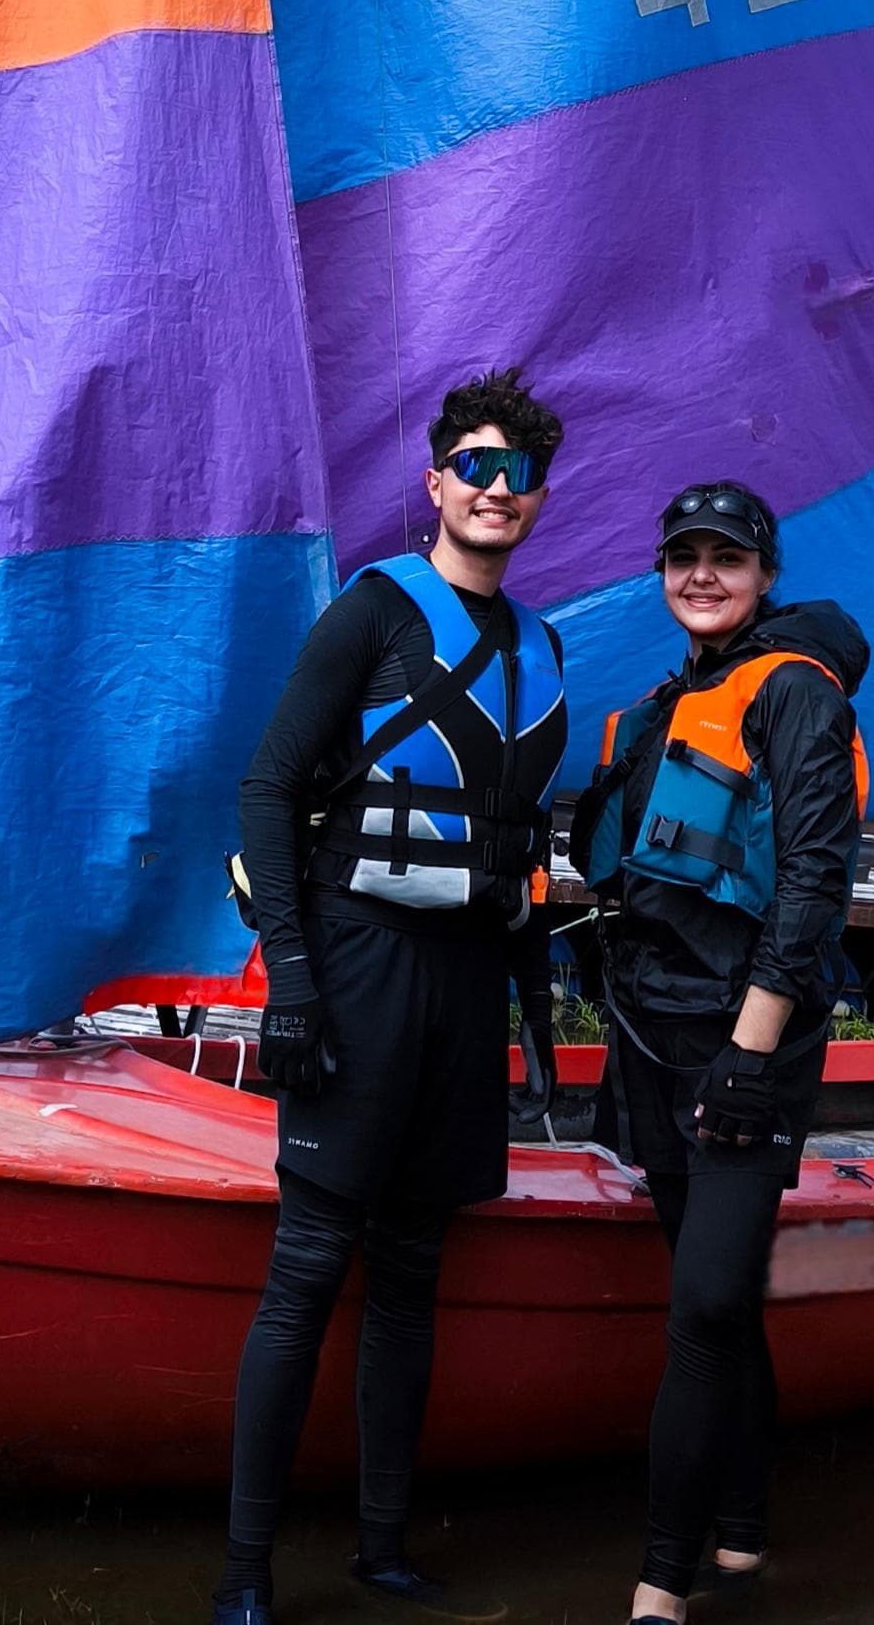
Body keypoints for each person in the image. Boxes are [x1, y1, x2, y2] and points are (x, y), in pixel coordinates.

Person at [215, 366, 570, 1625]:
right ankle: (245, 1570)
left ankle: (380, 1548)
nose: (497, 488)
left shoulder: (542, 644)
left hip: (463, 988)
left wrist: (534, 1013)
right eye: (477, 465)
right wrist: (293, 985)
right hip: (356, 965)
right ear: (436, 481)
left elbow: (518, 840)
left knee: (413, 1273)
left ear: (537, 498)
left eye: (519, 473)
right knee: (309, 1268)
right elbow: (268, 787)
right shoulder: (371, 611)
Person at [571, 483, 868, 1623]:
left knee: (697, 1313)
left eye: (726, 557)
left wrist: (749, 1057)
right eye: (683, 556)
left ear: (765, 573)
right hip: (654, 1034)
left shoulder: (794, 691)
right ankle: (742, 1542)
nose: (702, 574)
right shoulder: (672, 701)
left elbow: (812, 881)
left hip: (746, 1046)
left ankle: (659, 1587)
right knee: (726, 1305)